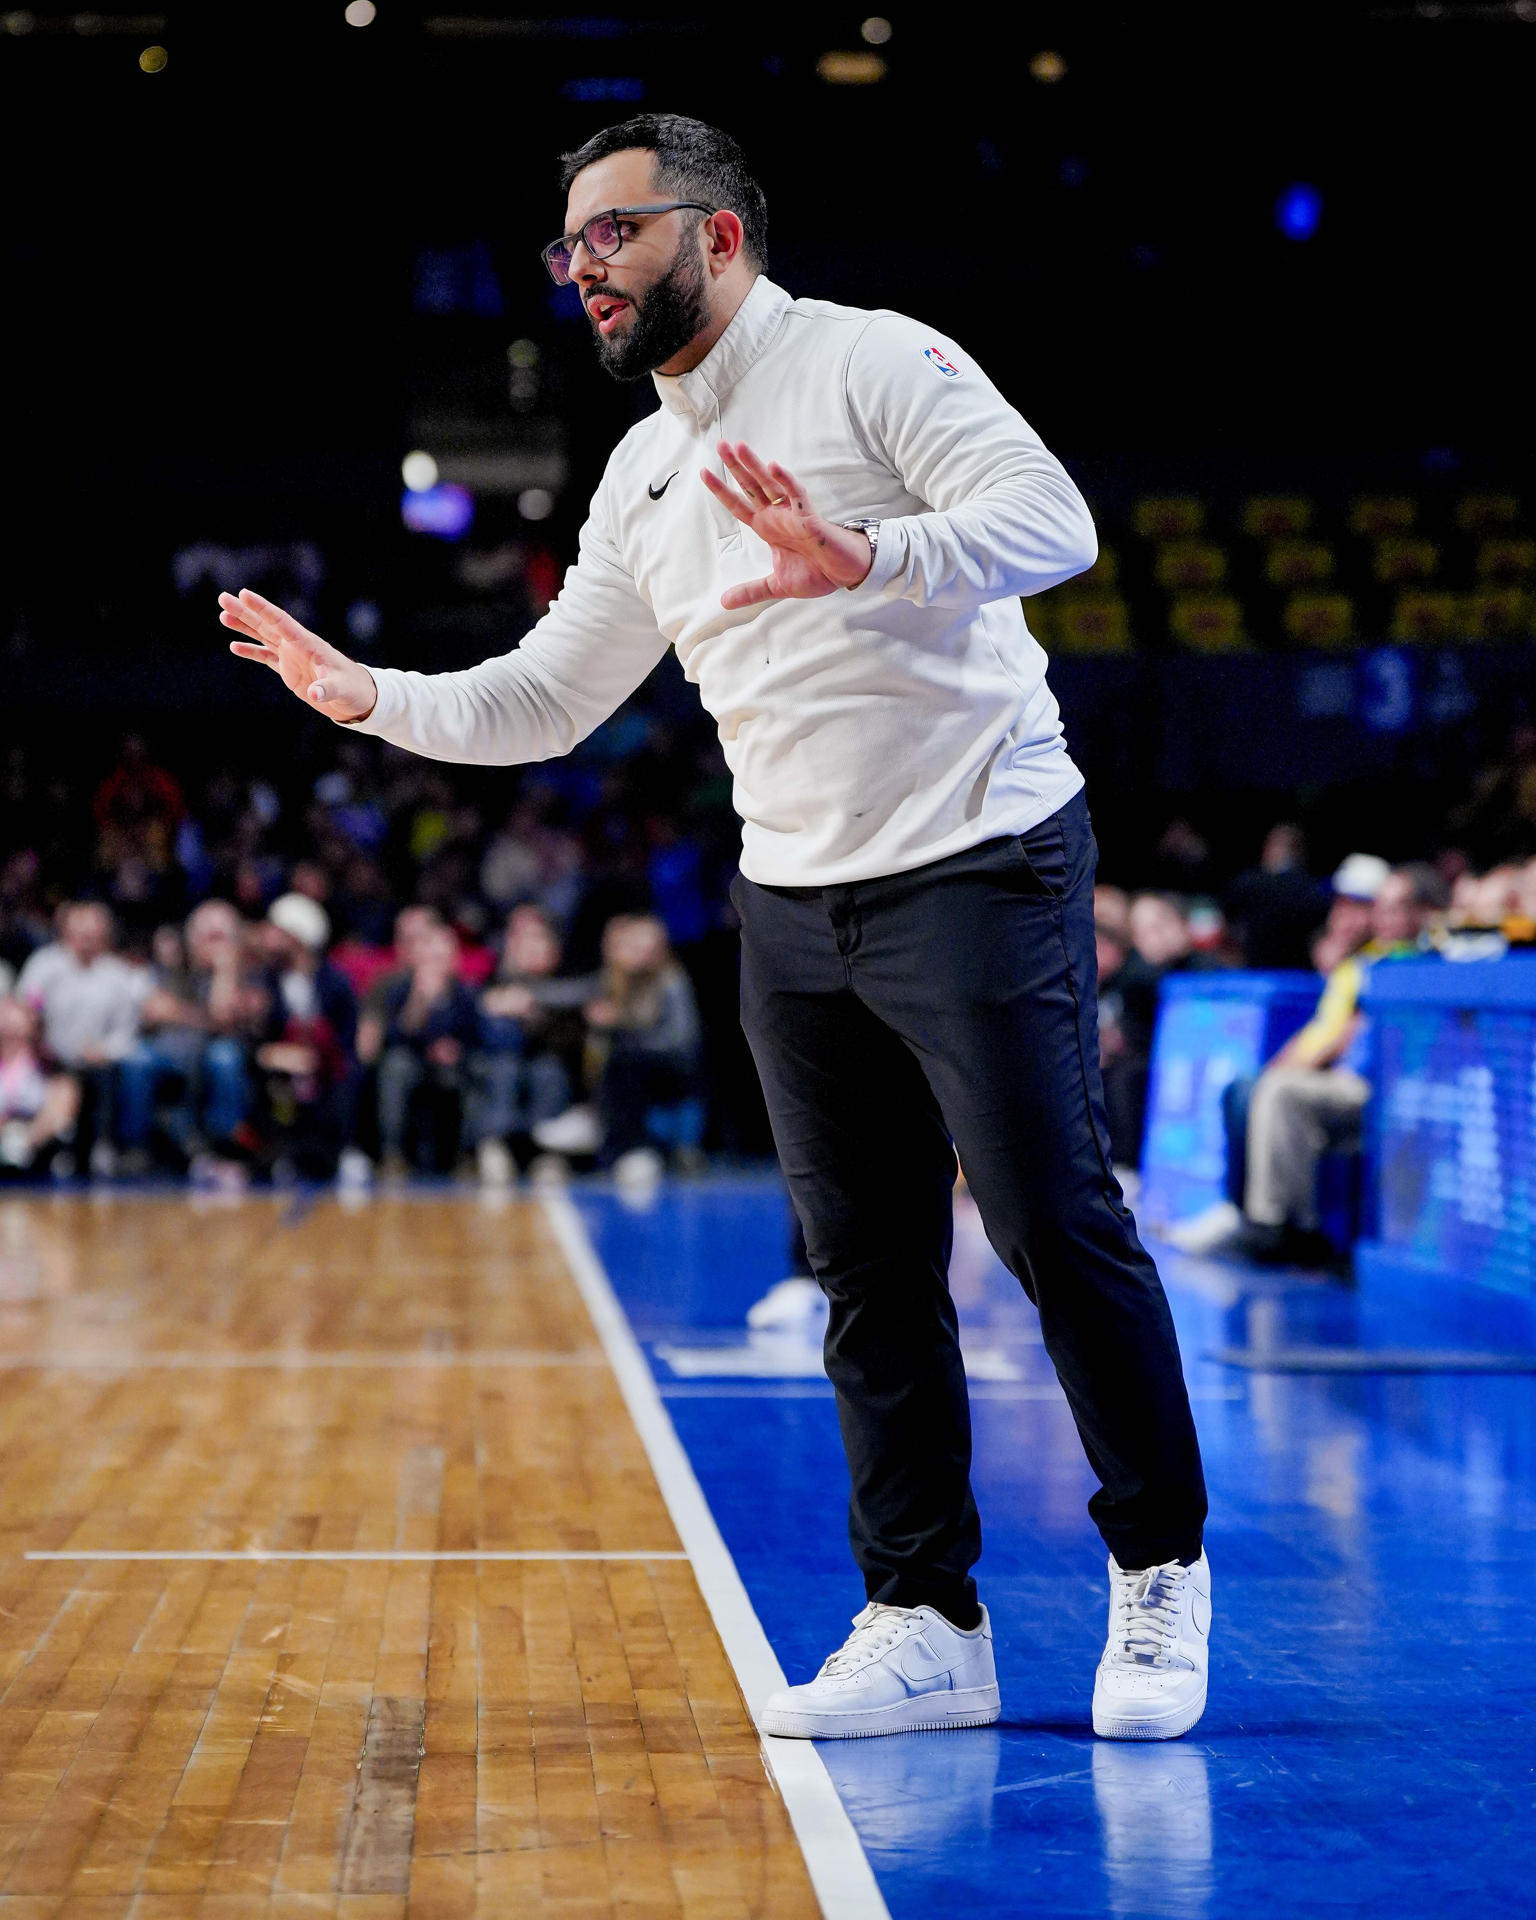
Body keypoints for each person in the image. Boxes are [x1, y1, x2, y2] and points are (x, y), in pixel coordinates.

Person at [218, 112, 1210, 1743]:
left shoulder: (873, 364)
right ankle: (923, 1619)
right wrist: (368, 696)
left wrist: (872, 553)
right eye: (568, 248)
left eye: (613, 234)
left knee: (1046, 1222)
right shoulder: (644, 474)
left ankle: (1159, 1567)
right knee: (867, 1274)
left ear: (719, 235)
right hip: (791, 897)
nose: (583, 271)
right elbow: (546, 697)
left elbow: (1053, 529)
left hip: (977, 849)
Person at [1170, 862, 1446, 1265]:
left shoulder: (1420, 963)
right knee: (1247, 1089)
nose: (1382, 917)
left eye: (1391, 907)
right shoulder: (1361, 964)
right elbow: (1321, 1030)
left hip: (1384, 1087)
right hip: (1345, 1079)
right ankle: (1244, 1212)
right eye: (1379, 907)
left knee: (1277, 1091)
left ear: (1424, 911)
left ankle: (1280, 1225)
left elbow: (1347, 1033)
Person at [535, 912, 701, 1188]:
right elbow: (569, 993)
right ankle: (595, 1127)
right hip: (632, 1068)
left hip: (671, 1072)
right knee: (603, 1053)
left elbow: (681, 1042)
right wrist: (524, 993)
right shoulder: (614, 980)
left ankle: (631, 1146)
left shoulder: (672, 982)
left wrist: (623, 1026)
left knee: (625, 1060)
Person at [15, 902, 147, 1175]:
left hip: (99, 1066)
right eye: (80, 933)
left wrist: (106, 1050)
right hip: (47, 1060)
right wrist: (37, 1042)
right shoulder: (44, 966)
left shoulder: (118, 975)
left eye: (93, 934)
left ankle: (108, 1148)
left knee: (124, 1071)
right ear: (66, 933)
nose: (87, 940)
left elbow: (127, 1033)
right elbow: (26, 1010)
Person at [468, 903, 588, 1187]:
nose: (529, 947)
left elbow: (572, 1039)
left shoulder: (570, 982)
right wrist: (502, 1009)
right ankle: (496, 1146)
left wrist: (535, 1009)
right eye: (521, 939)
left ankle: (547, 1154)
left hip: (556, 1070)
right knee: (504, 1068)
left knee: (548, 1071)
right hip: (504, 1067)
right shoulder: (494, 984)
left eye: (538, 938)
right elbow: (490, 1037)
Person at [366, 922, 480, 1177]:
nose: (435, 965)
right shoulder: (401, 990)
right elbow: (396, 1035)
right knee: (395, 1067)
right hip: (414, 1060)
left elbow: (472, 1034)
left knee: (477, 1072)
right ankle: (392, 1154)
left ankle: (468, 1153)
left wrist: (453, 1049)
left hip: (454, 1063)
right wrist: (419, 1000)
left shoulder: (464, 993)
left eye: (441, 958)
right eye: (429, 958)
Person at [0, 996, 79, 1179]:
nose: (10, 1023)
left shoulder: (48, 1062)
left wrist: (28, 1138)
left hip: (39, 1145)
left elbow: (63, 1103)